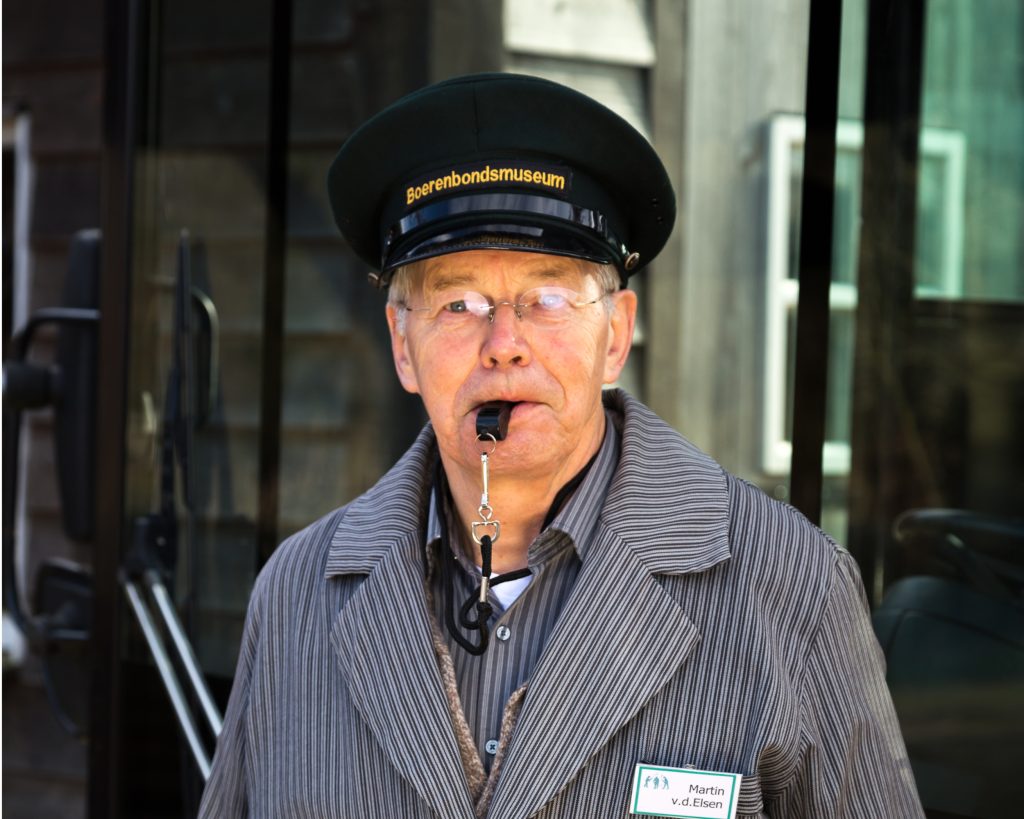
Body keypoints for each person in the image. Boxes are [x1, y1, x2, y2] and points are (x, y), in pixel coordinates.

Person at [199, 73, 924, 818]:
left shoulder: (792, 589)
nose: (504, 344)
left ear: (616, 334)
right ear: (403, 346)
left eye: (547, 298)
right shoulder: (294, 597)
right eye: (459, 303)